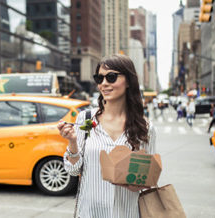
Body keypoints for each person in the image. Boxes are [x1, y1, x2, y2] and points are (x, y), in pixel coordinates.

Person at [57, 54, 157, 218]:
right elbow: (73, 170)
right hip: (89, 213)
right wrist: (72, 142)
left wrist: (132, 181)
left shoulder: (144, 128)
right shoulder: (86, 119)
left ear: (128, 81)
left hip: (127, 213)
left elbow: (146, 182)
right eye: (99, 78)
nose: (104, 84)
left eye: (111, 77)